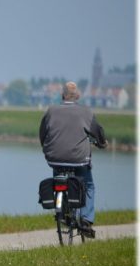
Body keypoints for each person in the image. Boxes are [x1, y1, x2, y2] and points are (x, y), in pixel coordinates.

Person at [39, 81, 107, 237]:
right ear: (78, 96)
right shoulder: (86, 112)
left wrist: (46, 148)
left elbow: (42, 133)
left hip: (55, 157)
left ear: (62, 95)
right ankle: (86, 220)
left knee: (58, 179)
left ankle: (62, 210)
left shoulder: (51, 111)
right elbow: (98, 132)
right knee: (88, 185)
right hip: (79, 159)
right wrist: (102, 143)